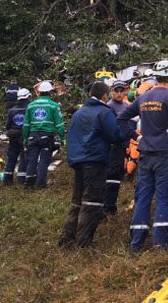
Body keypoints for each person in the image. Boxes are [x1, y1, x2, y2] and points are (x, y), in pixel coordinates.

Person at [117, 60, 168, 250]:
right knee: (165, 196)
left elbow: (122, 118)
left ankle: (136, 242)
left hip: (145, 154)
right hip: (165, 154)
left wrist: (136, 137)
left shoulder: (143, 97)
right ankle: (160, 242)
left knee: (143, 196)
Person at [60, 82, 129, 248]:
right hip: (95, 161)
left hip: (77, 161)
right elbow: (115, 135)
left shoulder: (79, 112)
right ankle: (83, 242)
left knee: (77, 200)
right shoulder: (104, 112)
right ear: (106, 95)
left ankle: (67, 238)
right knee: (92, 202)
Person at [22, 81, 66, 188]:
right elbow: (59, 124)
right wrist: (63, 138)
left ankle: (28, 182)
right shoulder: (54, 106)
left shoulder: (31, 105)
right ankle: (40, 184)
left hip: (33, 136)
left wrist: (25, 138)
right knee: (44, 161)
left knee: (32, 159)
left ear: (40, 92)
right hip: (47, 137)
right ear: (50, 92)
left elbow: (26, 124)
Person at [104, 80, 131, 215]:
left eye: (121, 91)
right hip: (113, 146)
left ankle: (111, 204)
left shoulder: (126, 106)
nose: (119, 94)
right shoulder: (109, 107)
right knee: (111, 175)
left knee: (118, 175)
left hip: (123, 146)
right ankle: (108, 206)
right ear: (111, 92)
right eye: (116, 91)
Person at [2, 88, 31, 185]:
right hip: (24, 135)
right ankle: (21, 179)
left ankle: (7, 179)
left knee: (12, 156)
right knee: (24, 156)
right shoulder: (29, 109)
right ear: (28, 97)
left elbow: (7, 126)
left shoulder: (12, 110)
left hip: (13, 136)